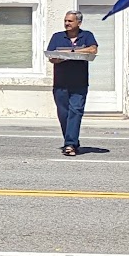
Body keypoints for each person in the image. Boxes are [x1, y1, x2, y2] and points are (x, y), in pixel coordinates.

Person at [46, 9, 99, 156]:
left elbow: (93, 50)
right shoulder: (57, 37)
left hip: (79, 83)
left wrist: (69, 53)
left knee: (76, 112)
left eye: (70, 21)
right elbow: (52, 57)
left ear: (78, 22)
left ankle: (69, 144)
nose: (67, 23)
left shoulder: (87, 36)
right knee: (64, 115)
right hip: (60, 83)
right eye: (65, 21)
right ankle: (72, 141)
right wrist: (72, 54)